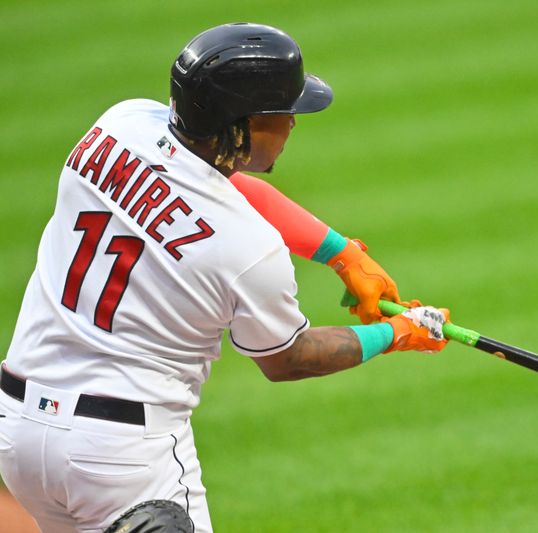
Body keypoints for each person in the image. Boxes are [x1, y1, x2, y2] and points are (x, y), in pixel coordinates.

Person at [0, 22, 448, 533]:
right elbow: (288, 358)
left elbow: (214, 186)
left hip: (19, 429)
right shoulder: (250, 252)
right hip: (119, 461)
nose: (293, 125)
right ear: (245, 123)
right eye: (284, 113)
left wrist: (343, 254)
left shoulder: (117, 126)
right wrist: (398, 332)